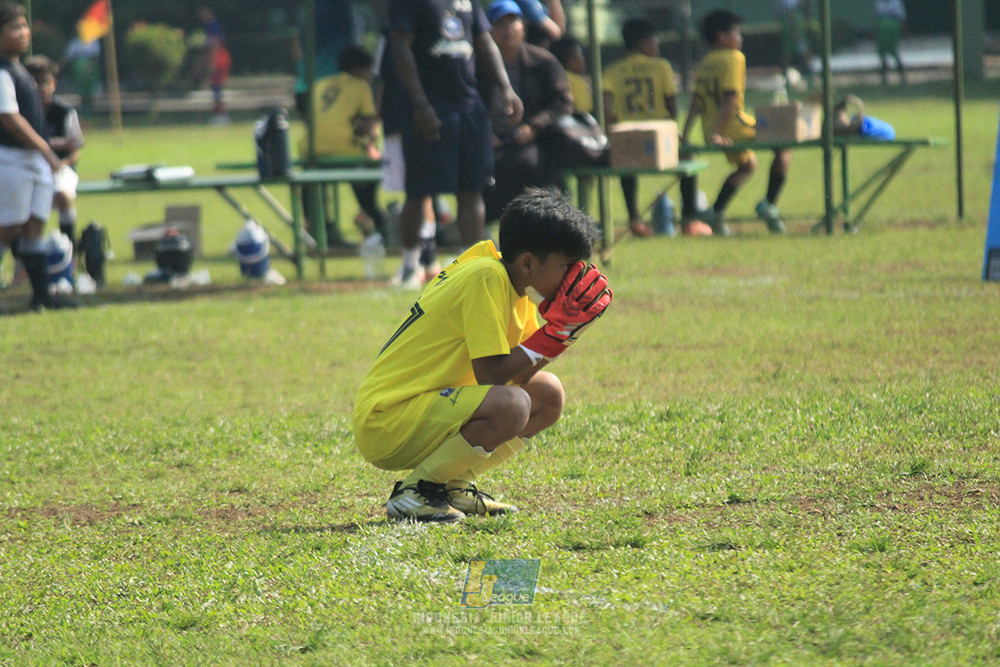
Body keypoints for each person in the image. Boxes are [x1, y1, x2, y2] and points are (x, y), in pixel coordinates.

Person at [353, 187, 612, 523]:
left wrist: (563, 335)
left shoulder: (511, 286)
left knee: (547, 395)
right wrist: (554, 335)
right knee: (512, 405)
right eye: (567, 265)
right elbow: (493, 377)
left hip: (422, 410)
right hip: (388, 420)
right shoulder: (486, 277)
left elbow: (521, 375)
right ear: (529, 263)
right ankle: (415, 492)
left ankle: (450, 485)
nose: (575, 276)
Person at [387, 0, 523, 290]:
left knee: (472, 189)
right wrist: (420, 104)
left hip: (469, 107)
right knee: (419, 190)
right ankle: (411, 266)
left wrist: (506, 86)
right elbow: (400, 48)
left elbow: (484, 40)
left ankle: (470, 267)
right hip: (429, 108)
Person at [681, 9, 791, 236]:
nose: (739, 38)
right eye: (736, 32)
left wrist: (687, 133)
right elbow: (730, 100)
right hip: (731, 126)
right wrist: (718, 133)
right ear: (722, 37)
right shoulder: (734, 57)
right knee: (784, 143)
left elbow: (696, 102)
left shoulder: (704, 63)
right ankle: (769, 204)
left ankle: (717, 211)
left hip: (709, 127)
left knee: (748, 165)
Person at [603, 18, 709, 238]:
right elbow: (671, 104)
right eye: (655, 42)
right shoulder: (661, 66)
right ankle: (690, 219)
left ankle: (634, 219)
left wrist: (611, 130)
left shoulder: (612, 71)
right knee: (688, 156)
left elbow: (606, 106)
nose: (657, 47)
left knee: (627, 166)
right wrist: (675, 132)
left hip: (628, 134)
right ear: (645, 43)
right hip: (658, 134)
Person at [0, 2, 74, 311]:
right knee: (6, 228)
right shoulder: (2, 71)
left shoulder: (19, 69)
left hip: (34, 163)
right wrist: (45, 149)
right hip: (13, 159)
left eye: (24, 26)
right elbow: (9, 117)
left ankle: (41, 296)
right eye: (14, 28)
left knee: (34, 226)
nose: (24, 33)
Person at [481, 1, 572, 223]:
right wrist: (484, 134)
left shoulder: (542, 61)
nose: (507, 29)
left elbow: (563, 102)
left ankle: (536, 226)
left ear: (524, 26)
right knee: (480, 169)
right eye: (499, 24)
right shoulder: (478, 65)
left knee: (528, 165)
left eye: (513, 22)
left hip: (531, 139)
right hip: (489, 141)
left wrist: (535, 126)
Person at [300, 45, 388, 252]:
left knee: (313, 185)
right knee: (366, 180)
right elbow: (369, 124)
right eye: (367, 70)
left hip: (311, 149)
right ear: (357, 69)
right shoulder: (360, 87)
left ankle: (320, 228)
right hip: (344, 148)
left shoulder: (320, 84)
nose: (368, 76)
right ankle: (376, 219)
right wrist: (370, 143)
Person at [373, 28, 443, 287]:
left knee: (417, 192)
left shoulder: (434, 22)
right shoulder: (390, 31)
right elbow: (381, 77)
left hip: (426, 120)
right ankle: (425, 260)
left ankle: (418, 263)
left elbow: (379, 79)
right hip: (402, 120)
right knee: (418, 193)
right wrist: (377, 118)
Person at [24, 56, 84, 251]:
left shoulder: (65, 112)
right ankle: (23, 261)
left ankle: (69, 248)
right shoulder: (19, 113)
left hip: (59, 169)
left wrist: (61, 164)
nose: (40, 88)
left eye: (44, 82)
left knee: (62, 194)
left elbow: (75, 151)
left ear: (53, 84)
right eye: (34, 83)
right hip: (28, 168)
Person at [198, 7, 232, 124]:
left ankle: (222, 115)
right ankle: (219, 114)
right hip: (218, 56)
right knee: (215, 86)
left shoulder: (212, 26)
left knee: (217, 86)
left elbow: (215, 43)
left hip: (219, 57)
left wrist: (212, 61)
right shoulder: (211, 26)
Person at [549, 36, 591, 114]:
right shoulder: (576, 81)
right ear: (572, 60)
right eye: (580, 55)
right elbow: (584, 110)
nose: (582, 60)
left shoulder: (549, 77)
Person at [874, 0, 906, 85]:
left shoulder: (895, 2)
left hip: (893, 28)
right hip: (882, 29)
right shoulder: (879, 2)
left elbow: (901, 18)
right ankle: (884, 76)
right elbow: (877, 17)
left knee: (894, 51)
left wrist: (904, 32)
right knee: (882, 53)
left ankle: (902, 74)